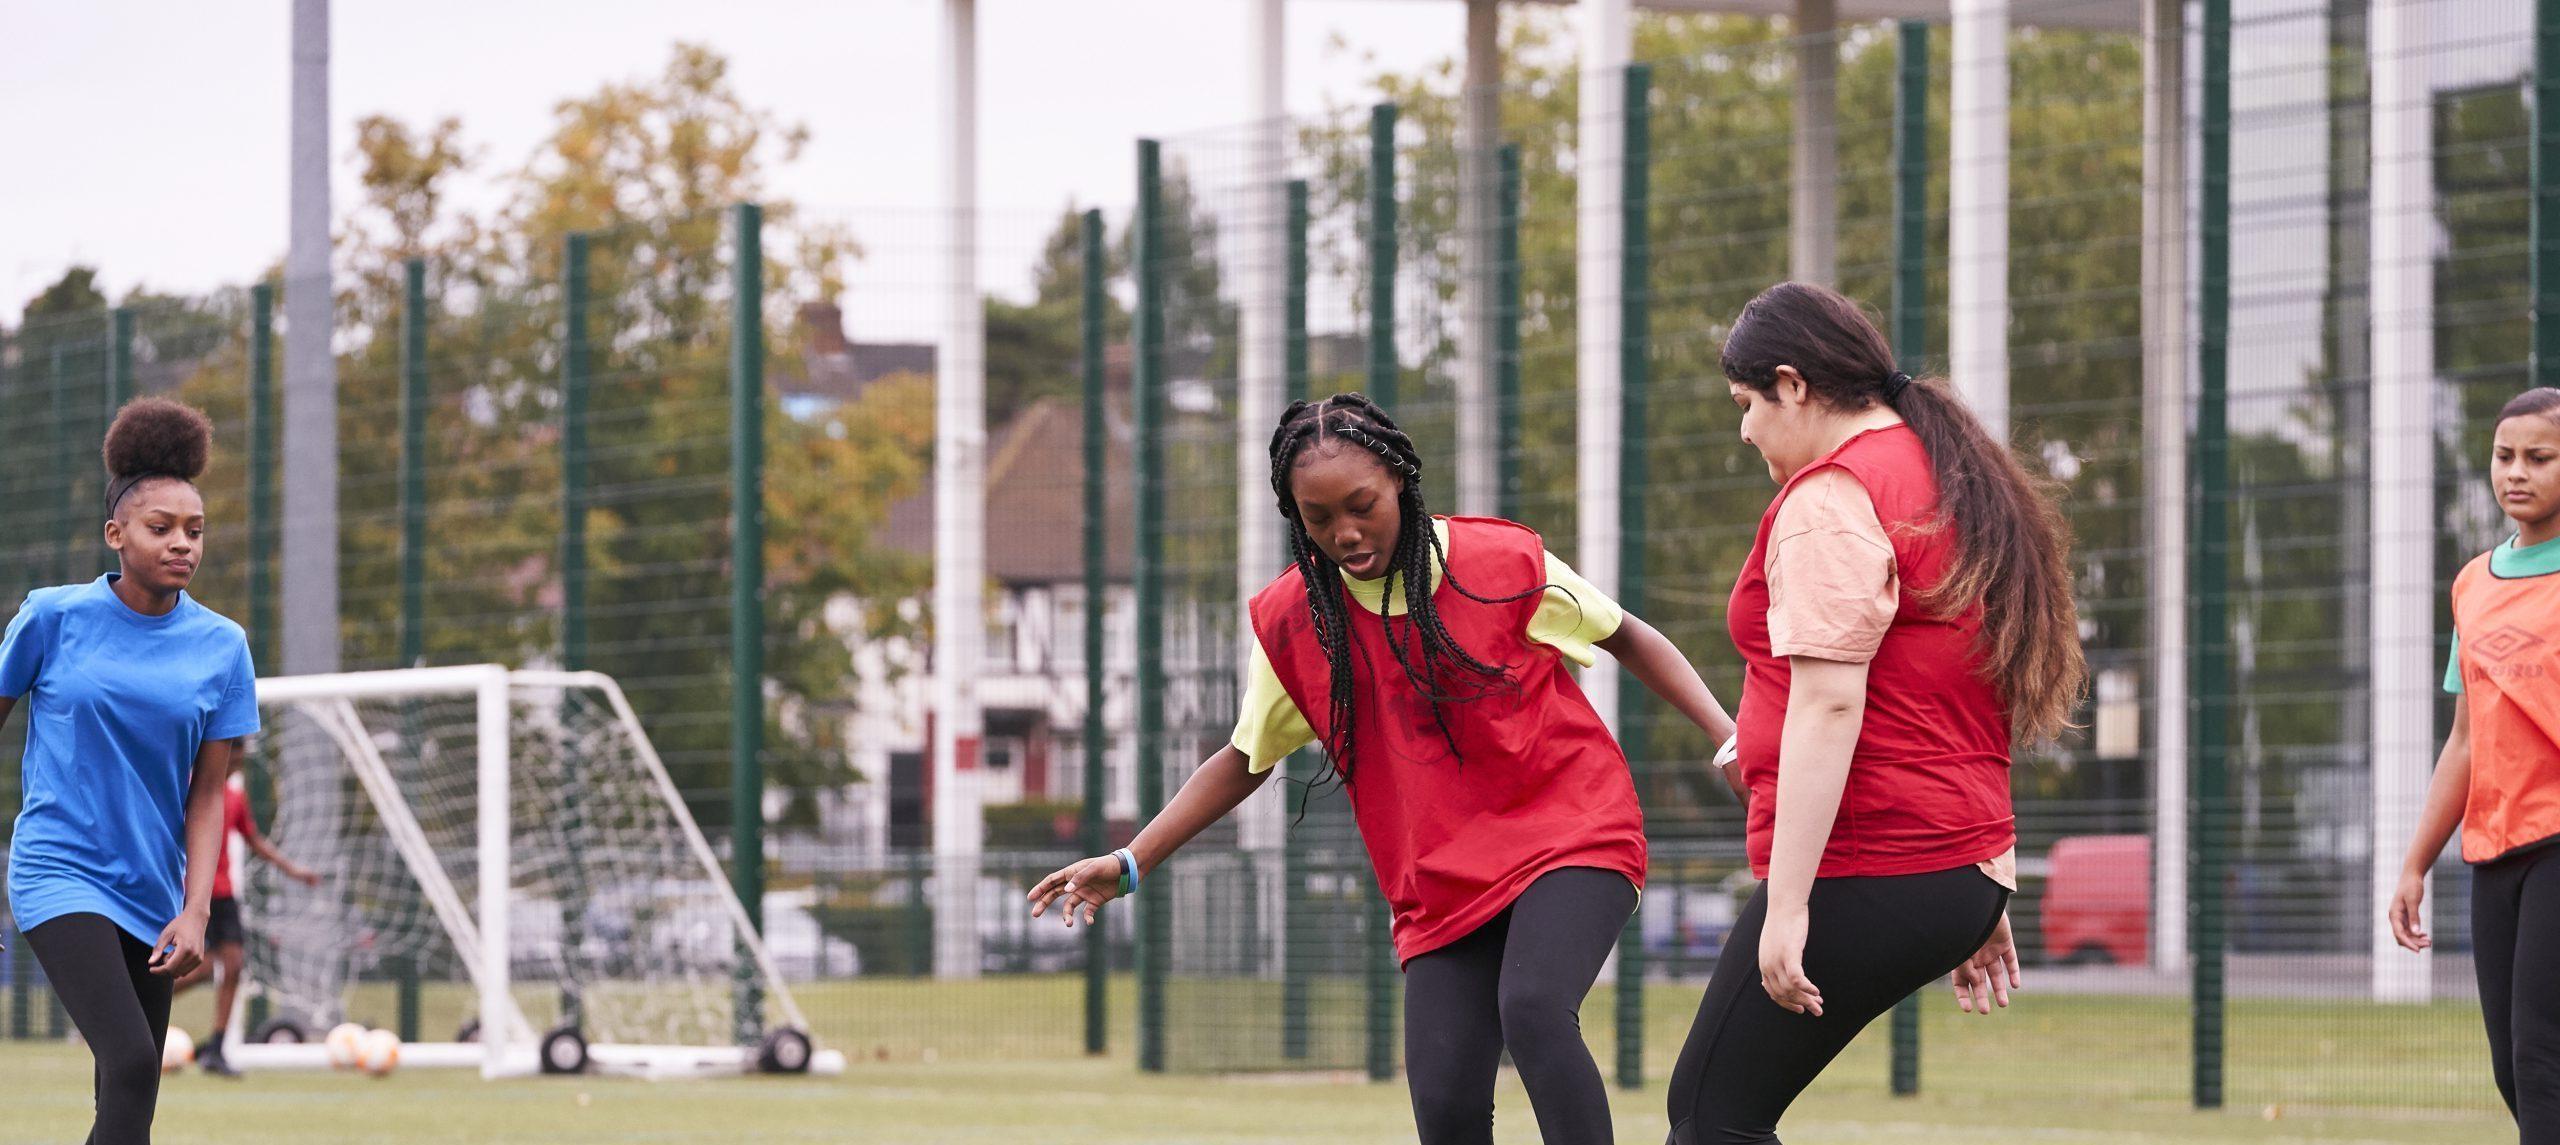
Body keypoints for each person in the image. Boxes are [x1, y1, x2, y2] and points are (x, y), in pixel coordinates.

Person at [1028, 393, 1738, 1145]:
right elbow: (1244, 757)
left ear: (1400, 479)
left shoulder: (1498, 562)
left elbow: (1629, 634)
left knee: (1531, 1006)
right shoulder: (1297, 620)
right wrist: (1130, 859)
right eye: (1319, 517)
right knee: (1445, 1105)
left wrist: (1728, 740)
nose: (1346, 532)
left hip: (1572, 832)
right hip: (1439, 882)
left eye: (1361, 505)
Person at [1667, 282, 2086, 1144]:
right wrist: (1969, 876)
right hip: (1946, 863)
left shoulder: (1832, 498)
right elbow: (1954, 689)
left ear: (1793, 385)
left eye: (1746, 404)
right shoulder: (1949, 473)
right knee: (1721, 1113)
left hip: (1874, 858)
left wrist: (1786, 908)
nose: (1744, 430)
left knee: (1711, 1118)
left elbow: (1830, 698)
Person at [1, 398, 258, 1144]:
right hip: (58, 868)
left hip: (152, 889)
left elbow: (210, 792)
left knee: (128, 1100)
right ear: (116, 534)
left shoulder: (223, 646)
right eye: (162, 528)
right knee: (135, 1059)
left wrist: (196, 908)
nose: (183, 543)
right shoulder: (52, 617)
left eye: (195, 530)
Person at [2390, 386, 2560, 1141]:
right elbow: (2465, 739)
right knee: (2510, 1067)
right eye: (2504, 455)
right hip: (2493, 851)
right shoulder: (2473, 583)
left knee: (2541, 1054)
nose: (2516, 472)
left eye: (2540, 457)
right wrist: (2415, 862)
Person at [171, 774, 320, 1077]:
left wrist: (292, 870)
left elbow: (253, 840)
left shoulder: (235, 796)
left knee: (234, 966)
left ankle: (216, 1047)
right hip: (192, 894)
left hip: (224, 896)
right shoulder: (183, 787)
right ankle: (134, 1005)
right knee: (198, 969)